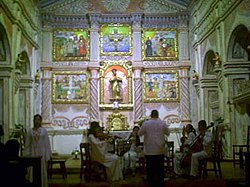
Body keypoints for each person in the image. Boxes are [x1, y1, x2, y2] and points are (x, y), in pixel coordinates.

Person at [138, 110, 170, 187]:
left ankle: (151, 183)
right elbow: (168, 133)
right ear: (158, 115)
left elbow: (139, 133)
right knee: (160, 168)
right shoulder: (162, 123)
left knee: (150, 168)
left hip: (150, 149)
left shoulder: (146, 123)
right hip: (160, 149)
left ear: (151, 115)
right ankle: (160, 183)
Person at [24, 114, 52, 187]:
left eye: (38, 119)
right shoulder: (30, 131)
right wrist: (26, 155)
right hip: (33, 153)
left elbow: (47, 144)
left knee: (41, 170)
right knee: (32, 171)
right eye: (35, 119)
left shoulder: (44, 131)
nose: (37, 121)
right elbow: (27, 144)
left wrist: (47, 156)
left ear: (41, 121)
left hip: (42, 154)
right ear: (33, 121)